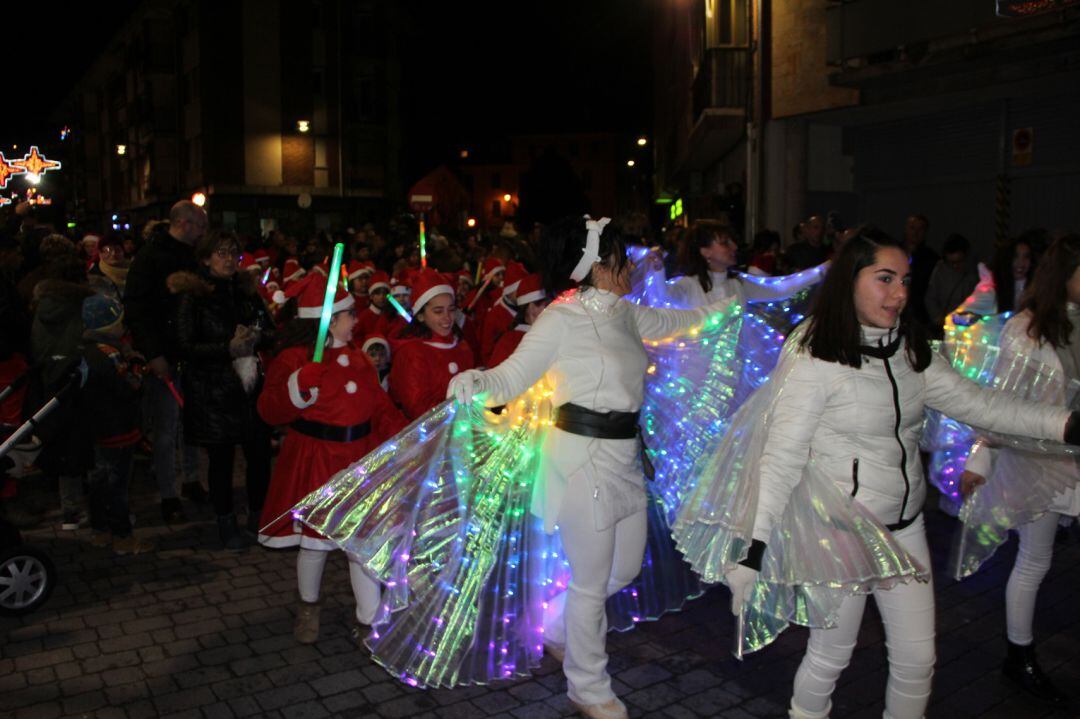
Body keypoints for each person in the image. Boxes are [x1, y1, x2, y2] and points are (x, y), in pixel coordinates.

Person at [683, 227, 1076, 719]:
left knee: (918, 660)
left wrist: (1064, 422)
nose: (900, 293)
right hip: (841, 534)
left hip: (906, 529)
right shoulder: (814, 353)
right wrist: (754, 549)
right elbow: (781, 455)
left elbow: (980, 405)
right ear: (851, 279)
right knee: (830, 656)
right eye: (885, 278)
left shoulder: (909, 348)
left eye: (905, 280)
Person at [446, 216, 733, 719]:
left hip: (625, 456)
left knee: (621, 570)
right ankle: (588, 685)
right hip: (579, 458)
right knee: (590, 579)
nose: (632, 266)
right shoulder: (560, 316)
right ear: (599, 265)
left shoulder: (625, 312)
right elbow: (512, 375)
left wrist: (731, 307)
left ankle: (556, 628)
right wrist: (476, 382)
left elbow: (681, 324)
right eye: (622, 257)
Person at [957, 234, 1080, 706]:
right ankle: (1019, 654)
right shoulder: (1025, 331)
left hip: (1071, 455)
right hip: (1039, 461)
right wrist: (980, 458)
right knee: (1035, 559)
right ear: (1064, 275)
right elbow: (999, 404)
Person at [257, 273, 407, 643]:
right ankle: (309, 606)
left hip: (356, 461)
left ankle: (369, 619)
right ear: (328, 320)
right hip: (317, 461)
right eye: (349, 315)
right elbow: (269, 410)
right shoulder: (295, 357)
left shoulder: (358, 359)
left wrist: (408, 432)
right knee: (315, 545)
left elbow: (379, 407)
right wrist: (299, 385)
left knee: (361, 544)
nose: (356, 321)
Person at [170, 232, 275, 549]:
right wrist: (226, 348)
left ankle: (259, 517)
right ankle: (225, 521)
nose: (229, 260)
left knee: (259, 455)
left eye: (234, 253)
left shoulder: (245, 291)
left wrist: (257, 336)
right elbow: (185, 346)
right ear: (205, 259)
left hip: (249, 387)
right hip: (213, 390)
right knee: (221, 460)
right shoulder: (193, 295)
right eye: (221, 253)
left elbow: (270, 329)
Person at [124, 200, 208, 522]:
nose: (203, 231)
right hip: (165, 354)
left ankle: (190, 479)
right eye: (200, 225)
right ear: (185, 223)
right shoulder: (150, 258)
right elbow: (137, 309)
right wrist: (153, 353)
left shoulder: (192, 256)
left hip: (191, 354)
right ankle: (168, 493)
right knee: (166, 428)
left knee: (191, 423)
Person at [79, 294, 154, 554]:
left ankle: (100, 530)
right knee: (117, 485)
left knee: (99, 481)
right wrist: (137, 366)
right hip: (118, 429)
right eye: (119, 321)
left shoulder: (85, 350)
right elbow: (130, 387)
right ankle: (123, 536)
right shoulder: (110, 354)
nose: (123, 326)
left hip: (97, 428)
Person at [651, 221, 826, 309]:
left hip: (732, 375)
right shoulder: (688, 285)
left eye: (732, 241)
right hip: (692, 375)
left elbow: (781, 288)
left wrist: (826, 269)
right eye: (725, 243)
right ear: (705, 251)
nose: (734, 247)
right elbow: (662, 299)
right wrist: (657, 270)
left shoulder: (738, 284)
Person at [388, 269, 476, 420]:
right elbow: (418, 410)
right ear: (421, 315)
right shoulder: (411, 353)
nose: (447, 318)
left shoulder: (461, 345)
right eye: (438, 311)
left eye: (451, 310)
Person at [487, 273, 547, 367]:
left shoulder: (547, 334)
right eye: (546, 305)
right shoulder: (511, 341)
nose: (550, 309)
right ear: (531, 308)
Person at [925, 233, 979, 336]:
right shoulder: (940, 271)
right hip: (945, 325)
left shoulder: (974, 273)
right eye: (951, 263)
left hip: (969, 326)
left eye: (959, 262)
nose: (955, 266)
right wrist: (937, 317)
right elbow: (930, 297)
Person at [990, 236, 1040, 314]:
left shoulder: (1036, 288)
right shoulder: (991, 288)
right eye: (1015, 257)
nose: (1021, 263)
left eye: (1026, 257)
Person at [904, 214, 938, 326]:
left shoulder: (932, 258)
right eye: (912, 228)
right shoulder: (894, 253)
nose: (916, 232)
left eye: (920, 229)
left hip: (920, 314)